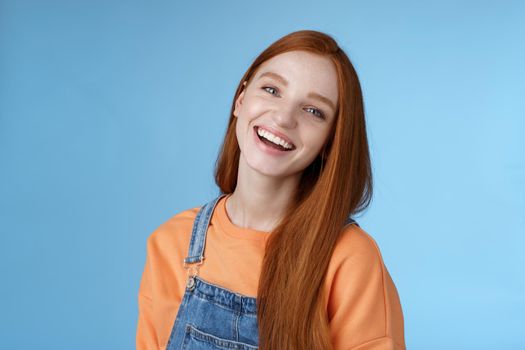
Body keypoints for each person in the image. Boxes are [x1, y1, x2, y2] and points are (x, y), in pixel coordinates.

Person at [136, 30, 405, 350]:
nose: (283, 117)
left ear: (329, 143)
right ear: (241, 99)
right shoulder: (171, 243)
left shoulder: (349, 259)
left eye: (314, 111)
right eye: (272, 89)